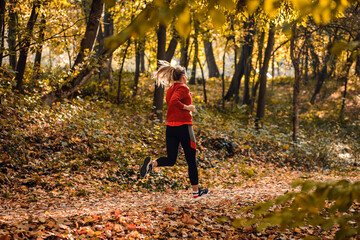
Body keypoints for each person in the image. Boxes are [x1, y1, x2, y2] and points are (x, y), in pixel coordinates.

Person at [140, 60, 209, 199]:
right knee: (191, 160)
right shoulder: (183, 87)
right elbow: (174, 102)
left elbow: (171, 103)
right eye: (186, 76)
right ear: (183, 76)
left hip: (170, 128)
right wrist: (188, 107)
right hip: (184, 127)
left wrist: (184, 104)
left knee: (171, 159)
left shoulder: (170, 89)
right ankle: (196, 193)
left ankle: (152, 164)